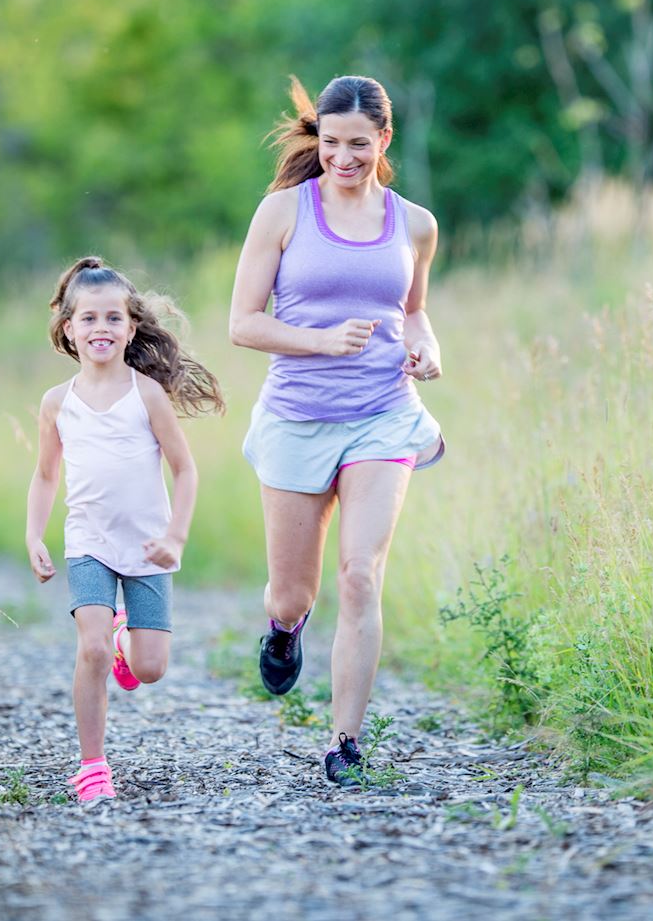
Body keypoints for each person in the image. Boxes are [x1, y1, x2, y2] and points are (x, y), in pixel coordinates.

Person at [230, 75, 445, 785]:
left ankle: (345, 743)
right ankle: (285, 629)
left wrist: (427, 347)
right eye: (330, 144)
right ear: (316, 140)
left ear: (384, 141)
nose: (343, 158)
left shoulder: (414, 223)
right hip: (297, 416)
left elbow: (412, 312)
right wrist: (321, 341)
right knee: (295, 593)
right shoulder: (282, 213)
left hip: (383, 413)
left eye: (358, 145)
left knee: (360, 576)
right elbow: (243, 324)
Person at [26, 256, 224, 805]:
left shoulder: (147, 395)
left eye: (113, 318)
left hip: (147, 548)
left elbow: (186, 470)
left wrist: (176, 536)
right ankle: (93, 767)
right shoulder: (56, 403)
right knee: (87, 649)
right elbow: (45, 476)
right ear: (69, 329)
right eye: (88, 319)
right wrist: (34, 535)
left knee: (150, 668)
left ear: (131, 327)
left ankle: (124, 639)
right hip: (87, 542)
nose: (101, 329)